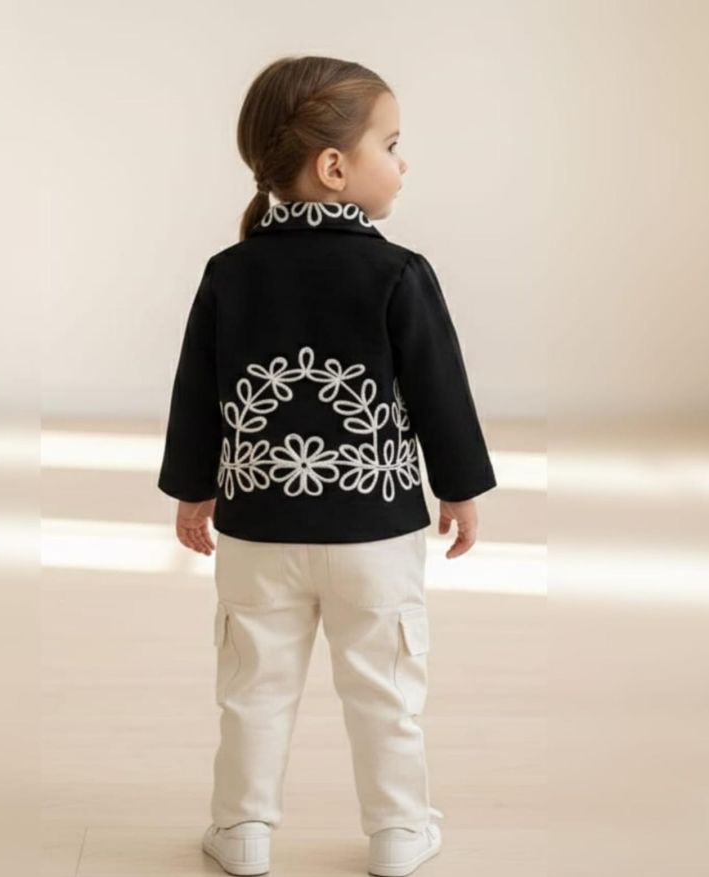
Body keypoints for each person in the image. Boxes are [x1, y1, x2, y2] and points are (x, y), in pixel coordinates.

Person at [157, 54, 497, 877]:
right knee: (386, 688)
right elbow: (440, 389)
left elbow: (198, 390)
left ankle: (242, 830)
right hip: (374, 534)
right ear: (336, 167)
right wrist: (459, 487)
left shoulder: (229, 273)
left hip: (258, 531)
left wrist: (193, 490)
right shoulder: (399, 272)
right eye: (392, 143)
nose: (404, 162)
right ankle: (399, 832)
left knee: (252, 688)